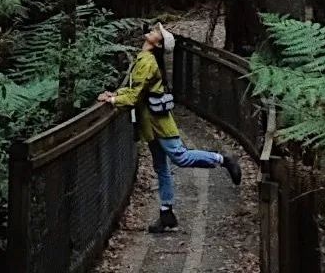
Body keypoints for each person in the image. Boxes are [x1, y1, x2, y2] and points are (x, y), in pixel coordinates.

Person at [98, 22, 242, 233]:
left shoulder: (147, 62)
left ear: (158, 44)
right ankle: (166, 213)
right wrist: (116, 95)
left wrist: (112, 100)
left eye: (157, 32)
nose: (153, 31)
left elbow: (135, 94)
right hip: (150, 123)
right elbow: (134, 89)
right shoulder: (144, 58)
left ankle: (223, 159)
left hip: (159, 122)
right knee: (161, 167)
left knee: (180, 156)